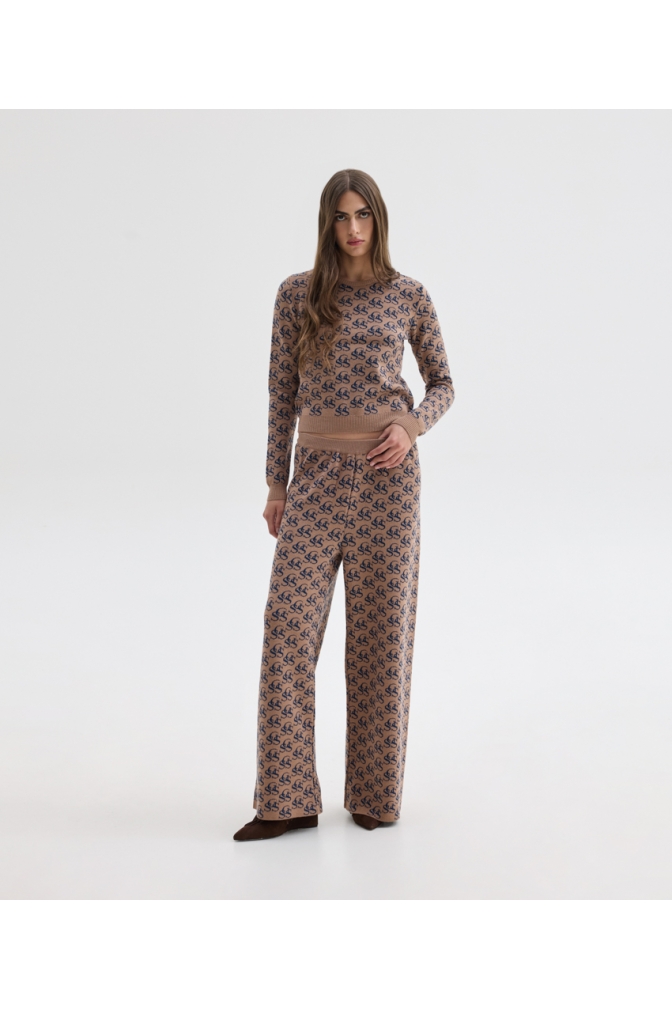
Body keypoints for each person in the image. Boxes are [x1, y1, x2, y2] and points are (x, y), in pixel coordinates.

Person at [233, 168, 455, 841]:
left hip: (389, 481)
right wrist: (276, 484)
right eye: (341, 216)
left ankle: (374, 798)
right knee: (287, 627)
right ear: (326, 223)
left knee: (382, 639)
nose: (353, 228)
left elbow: (444, 383)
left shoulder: (408, 294)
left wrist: (411, 426)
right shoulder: (297, 294)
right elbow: (280, 394)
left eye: (363, 215)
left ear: (378, 220)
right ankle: (288, 801)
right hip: (315, 479)